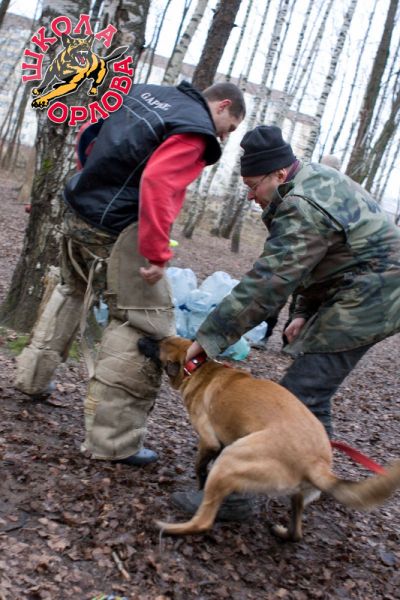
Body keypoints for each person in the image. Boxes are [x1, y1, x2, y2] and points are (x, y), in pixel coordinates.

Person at [172, 124, 400, 517]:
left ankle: (234, 495)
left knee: (294, 396)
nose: (249, 195)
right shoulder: (309, 179)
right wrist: (304, 312)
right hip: (362, 288)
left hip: (373, 298)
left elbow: (268, 282)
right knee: (311, 393)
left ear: (278, 174)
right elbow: (325, 259)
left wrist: (208, 339)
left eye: (252, 185)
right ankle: (313, 477)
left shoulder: (301, 205)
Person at [15, 80, 246, 467]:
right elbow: (158, 182)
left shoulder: (141, 92)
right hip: (118, 230)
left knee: (70, 291)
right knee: (144, 324)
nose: (225, 135)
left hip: (78, 210)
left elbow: (89, 134)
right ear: (222, 106)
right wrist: (157, 252)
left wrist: (86, 183)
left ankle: (31, 378)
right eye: (231, 127)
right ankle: (113, 441)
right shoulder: (195, 131)